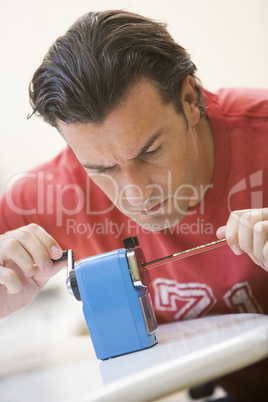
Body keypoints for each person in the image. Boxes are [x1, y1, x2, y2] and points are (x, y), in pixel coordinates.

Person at [0, 9, 267, 401]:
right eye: (102, 169)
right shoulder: (54, 191)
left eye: (151, 151)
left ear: (189, 100)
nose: (136, 194)